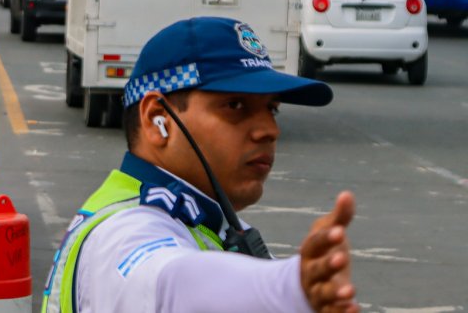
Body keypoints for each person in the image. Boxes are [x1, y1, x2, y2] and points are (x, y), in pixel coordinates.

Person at [42, 17, 358, 313]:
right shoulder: (123, 230)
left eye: (272, 109)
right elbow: (168, 281)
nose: (269, 130)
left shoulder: (205, 218)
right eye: (235, 105)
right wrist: (290, 286)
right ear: (157, 120)